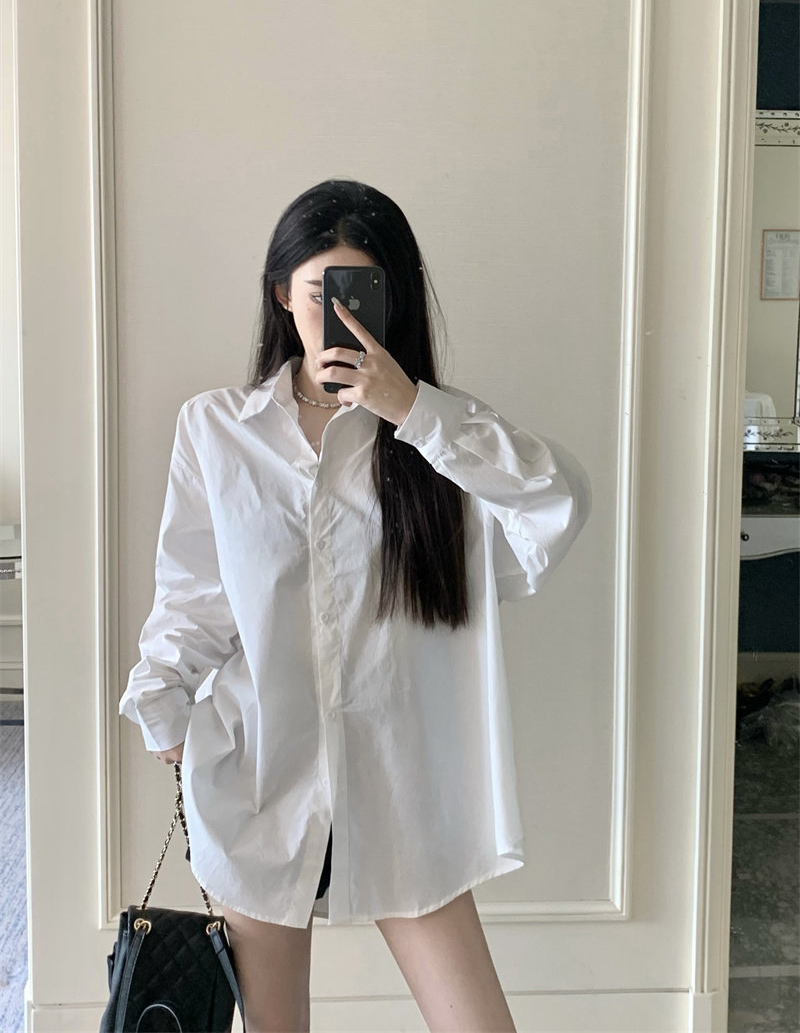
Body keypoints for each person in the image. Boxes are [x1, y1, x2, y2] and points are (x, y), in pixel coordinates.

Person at [119, 178, 592, 1032]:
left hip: (405, 785)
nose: (338, 316)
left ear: (393, 298)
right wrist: (165, 711)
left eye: (361, 293)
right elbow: (194, 593)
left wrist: (411, 410)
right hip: (259, 777)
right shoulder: (216, 429)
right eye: (318, 293)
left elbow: (555, 503)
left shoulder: (439, 436)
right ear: (281, 294)